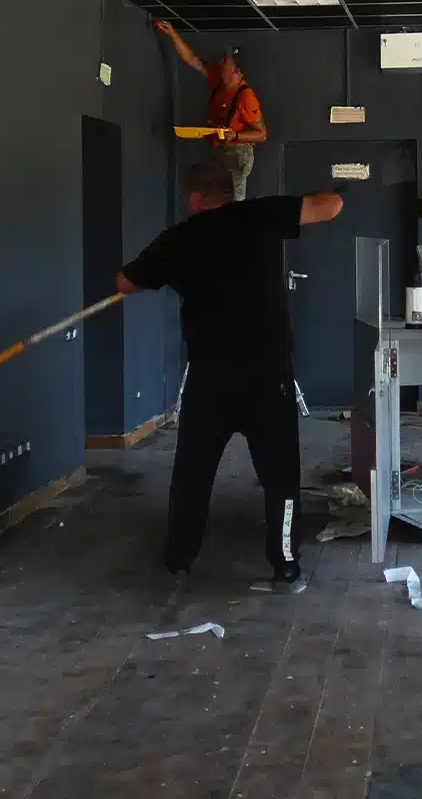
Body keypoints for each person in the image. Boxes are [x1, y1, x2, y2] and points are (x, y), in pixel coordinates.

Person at [116, 160, 344, 588]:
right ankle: (285, 565)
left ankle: (179, 560)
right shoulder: (261, 214)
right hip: (268, 375)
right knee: (280, 475)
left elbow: (125, 283)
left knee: (193, 472)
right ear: (231, 192)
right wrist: (336, 188)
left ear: (194, 198)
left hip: (211, 377)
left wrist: (166, 271)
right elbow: (330, 206)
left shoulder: (179, 239)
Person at [155, 19, 267, 200]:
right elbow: (192, 59)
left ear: (236, 71)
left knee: (233, 203)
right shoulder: (218, 79)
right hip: (219, 150)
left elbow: (262, 134)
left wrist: (236, 136)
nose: (221, 62)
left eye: (226, 61)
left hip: (237, 154)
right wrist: (173, 34)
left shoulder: (246, 97)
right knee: (216, 199)